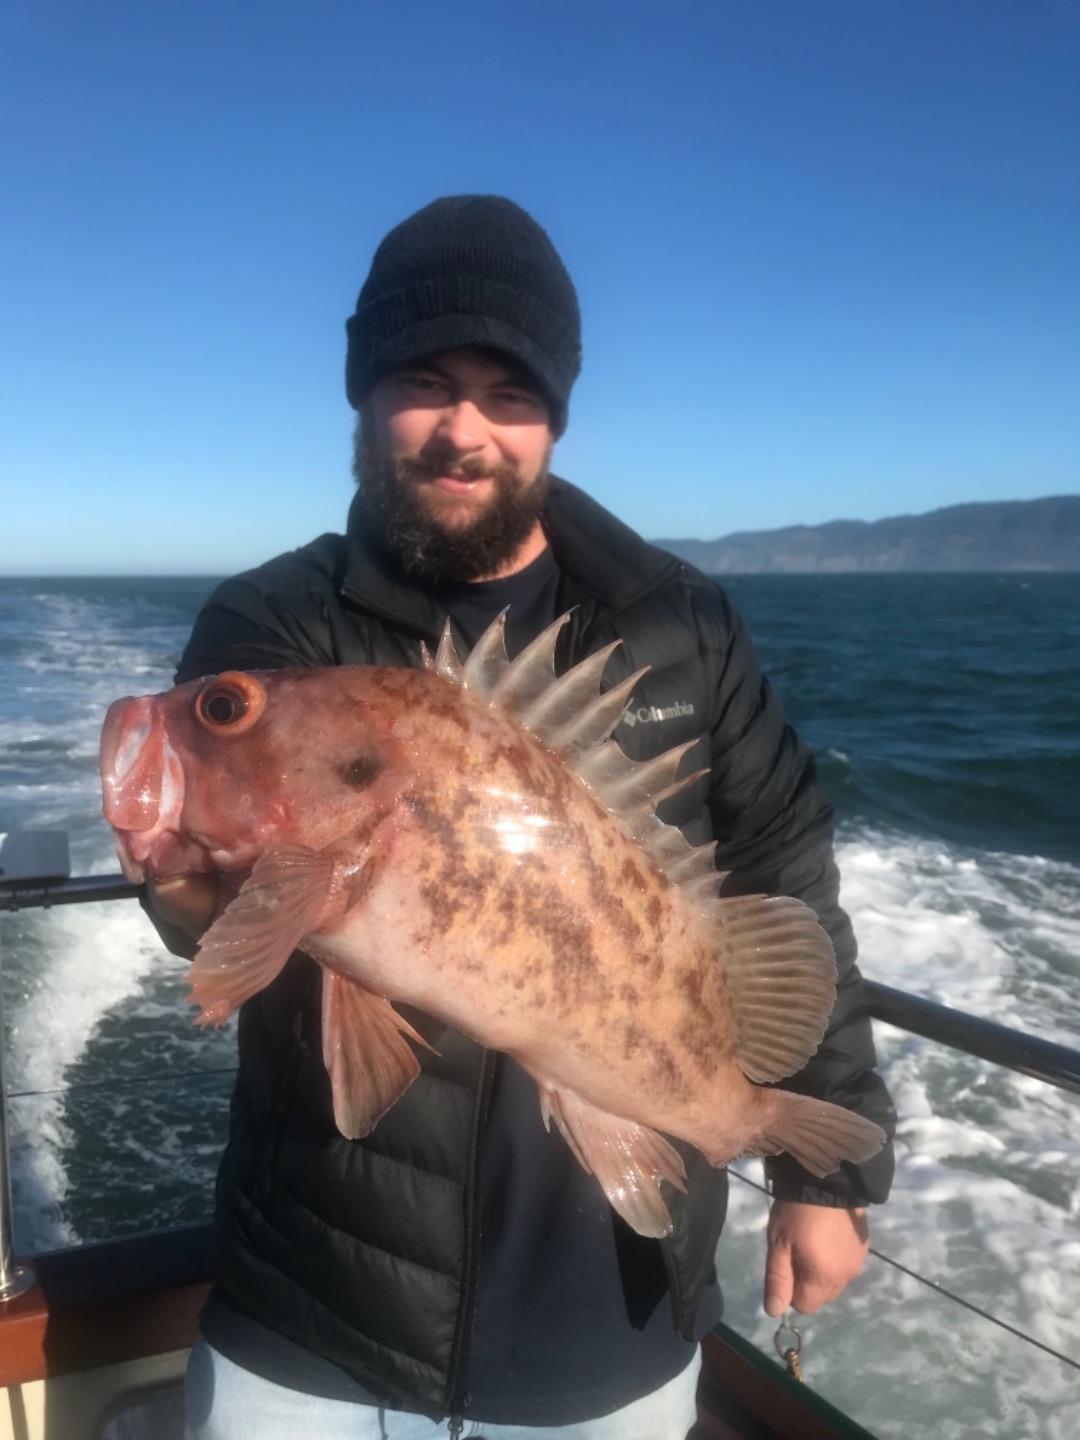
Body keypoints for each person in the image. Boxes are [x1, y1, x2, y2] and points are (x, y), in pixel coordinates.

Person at [147, 195, 896, 1439]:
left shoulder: (680, 625)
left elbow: (785, 878)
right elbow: (211, 923)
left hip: (606, 1313)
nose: (464, 430)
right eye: (424, 382)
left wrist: (824, 1170)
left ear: (555, 415)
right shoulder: (276, 633)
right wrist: (176, 887)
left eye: (510, 393)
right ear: (360, 390)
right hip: (311, 1304)